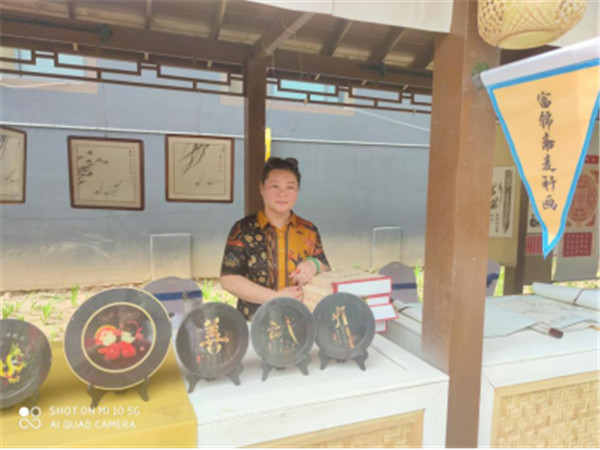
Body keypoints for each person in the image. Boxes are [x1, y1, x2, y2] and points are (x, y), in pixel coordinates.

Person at [220, 157, 330, 320]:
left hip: (300, 321)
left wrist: (314, 264)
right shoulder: (243, 229)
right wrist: (276, 297)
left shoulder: (308, 230)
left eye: (290, 187)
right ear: (262, 188)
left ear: (298, 190)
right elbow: (229, 279)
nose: (282, 193)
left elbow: (326, 269)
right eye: (275, 186)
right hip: (256, 321)